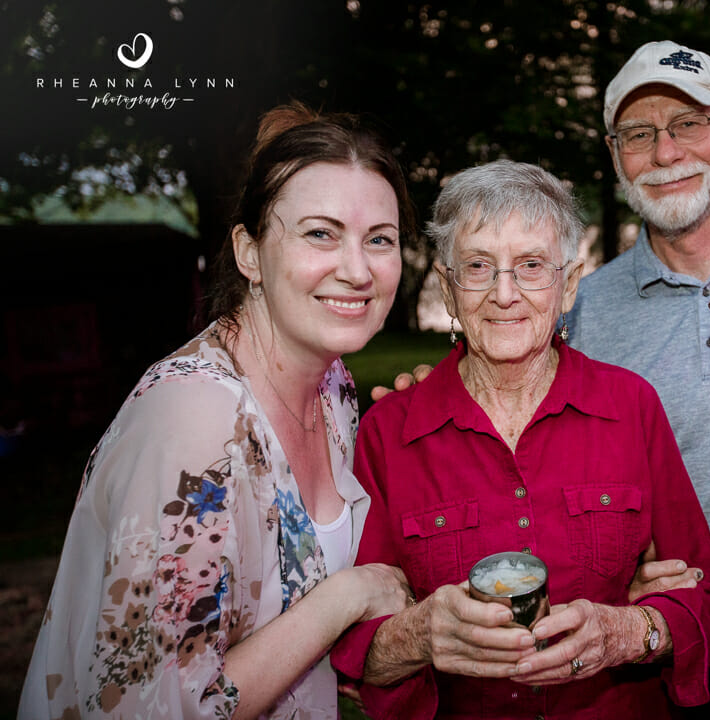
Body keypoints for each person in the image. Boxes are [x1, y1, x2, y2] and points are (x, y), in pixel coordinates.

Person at [18, 102, 415, 719]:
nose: (358, 270)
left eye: (380, 239)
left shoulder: (333, 388)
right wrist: (345, 598)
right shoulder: (194, 424)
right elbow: (150, 709)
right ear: (249, 253)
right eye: (320, 233)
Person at [330, 159, 710, 719]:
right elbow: (352, 652)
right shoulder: (388, 433)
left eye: (531, 266)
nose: (504, 293)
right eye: (478, 266)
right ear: (448, 287)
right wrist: (419, 635)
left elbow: (706, 599)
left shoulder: (631, 407)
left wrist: (627, 631)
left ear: (569, 285)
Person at [566, 40, 710, 562]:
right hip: (670, 607)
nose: (666, 153)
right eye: (638, 134)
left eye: (689, 123)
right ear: (615, 155)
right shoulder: (579, 312)